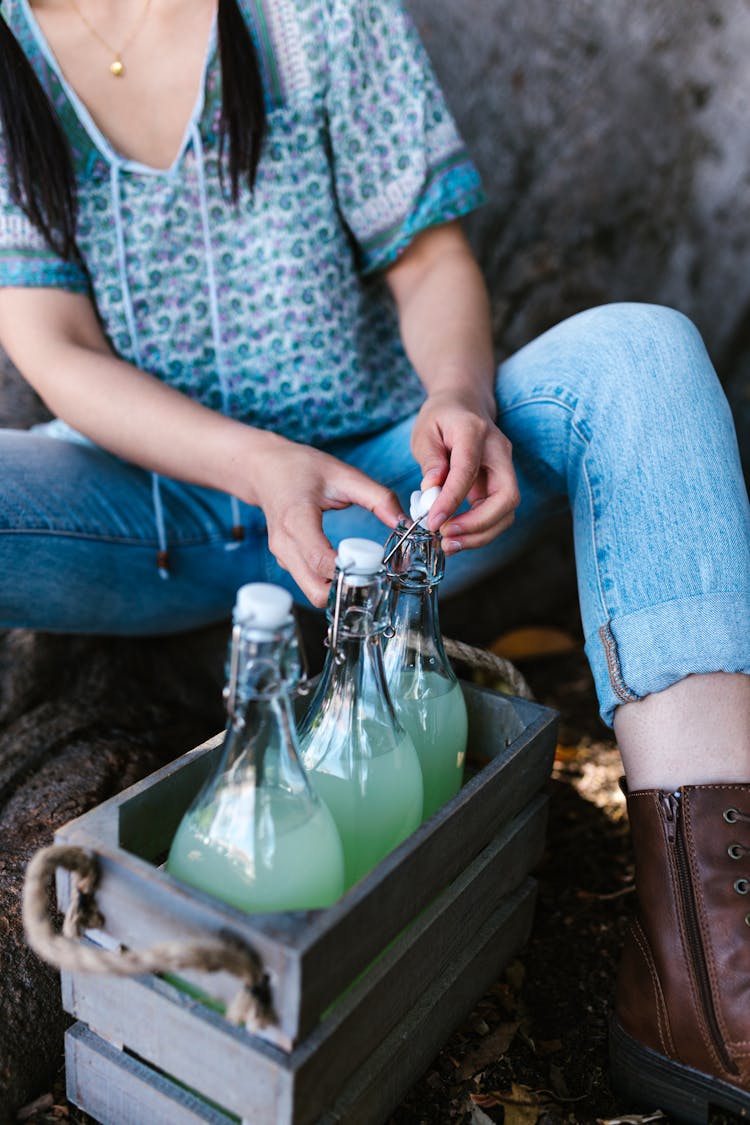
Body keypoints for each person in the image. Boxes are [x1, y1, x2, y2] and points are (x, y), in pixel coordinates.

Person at [0, 0, 748, 1118]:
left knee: (639, 351)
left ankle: (707, 972)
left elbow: (430, 258)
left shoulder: (315, 14)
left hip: (386, 500)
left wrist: (458, 399)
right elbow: (53, 353)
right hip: (138, 517)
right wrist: (257, 468)